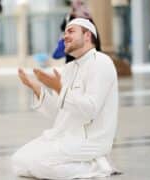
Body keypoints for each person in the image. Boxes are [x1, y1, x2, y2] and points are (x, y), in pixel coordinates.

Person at [12, 18, 119, 179]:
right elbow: (57, 113)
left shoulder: (101, 63)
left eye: (71, 31)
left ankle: (98, 166)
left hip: (90, 140)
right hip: (66, 136)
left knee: (39, 164)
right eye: (64, 32)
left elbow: (91, 110)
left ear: (87, 35)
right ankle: (87, 163)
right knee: (18, 161)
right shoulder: (68, 69)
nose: (64, 37)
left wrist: (60, 89)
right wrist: (37, 89)